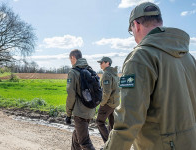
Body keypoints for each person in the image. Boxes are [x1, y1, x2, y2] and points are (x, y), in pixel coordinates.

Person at [104, 2, 196, 150]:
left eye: (131, 30)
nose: (133, 35)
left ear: (136, 25)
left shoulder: (140, 57)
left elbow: (128, 119)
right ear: (160, 22)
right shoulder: (188, 58)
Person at [66, 49, 96, 150]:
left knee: (84, 142)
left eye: (70, 59)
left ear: (73, 58)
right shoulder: (90, 70)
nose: (70, 62)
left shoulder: (73, 72)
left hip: (80, 112)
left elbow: (71, 95)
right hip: (91, 109)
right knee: (77, 135)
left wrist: (68, 114)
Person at [96, 57, 120, 143]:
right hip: (115, 103)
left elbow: (106, 92)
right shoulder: (114, 73)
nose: (100, 64)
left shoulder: (106, 74)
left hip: (108, 103)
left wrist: (102, 103)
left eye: (101, 62)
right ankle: (114, 144)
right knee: (112, 124)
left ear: (107, 63)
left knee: (99, 121)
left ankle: (108, 144)